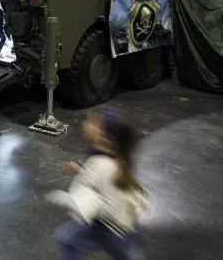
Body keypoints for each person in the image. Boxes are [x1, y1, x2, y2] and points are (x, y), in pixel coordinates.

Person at [46, 111, 150, 260]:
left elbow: (110, 201)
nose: (85, 124)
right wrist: (82, 171)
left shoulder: (107, 165)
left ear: (104, 134)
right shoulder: (103, 154)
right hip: (116, 227)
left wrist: (72, 202)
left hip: (114, 228)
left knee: (66, 239)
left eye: (92, 122)